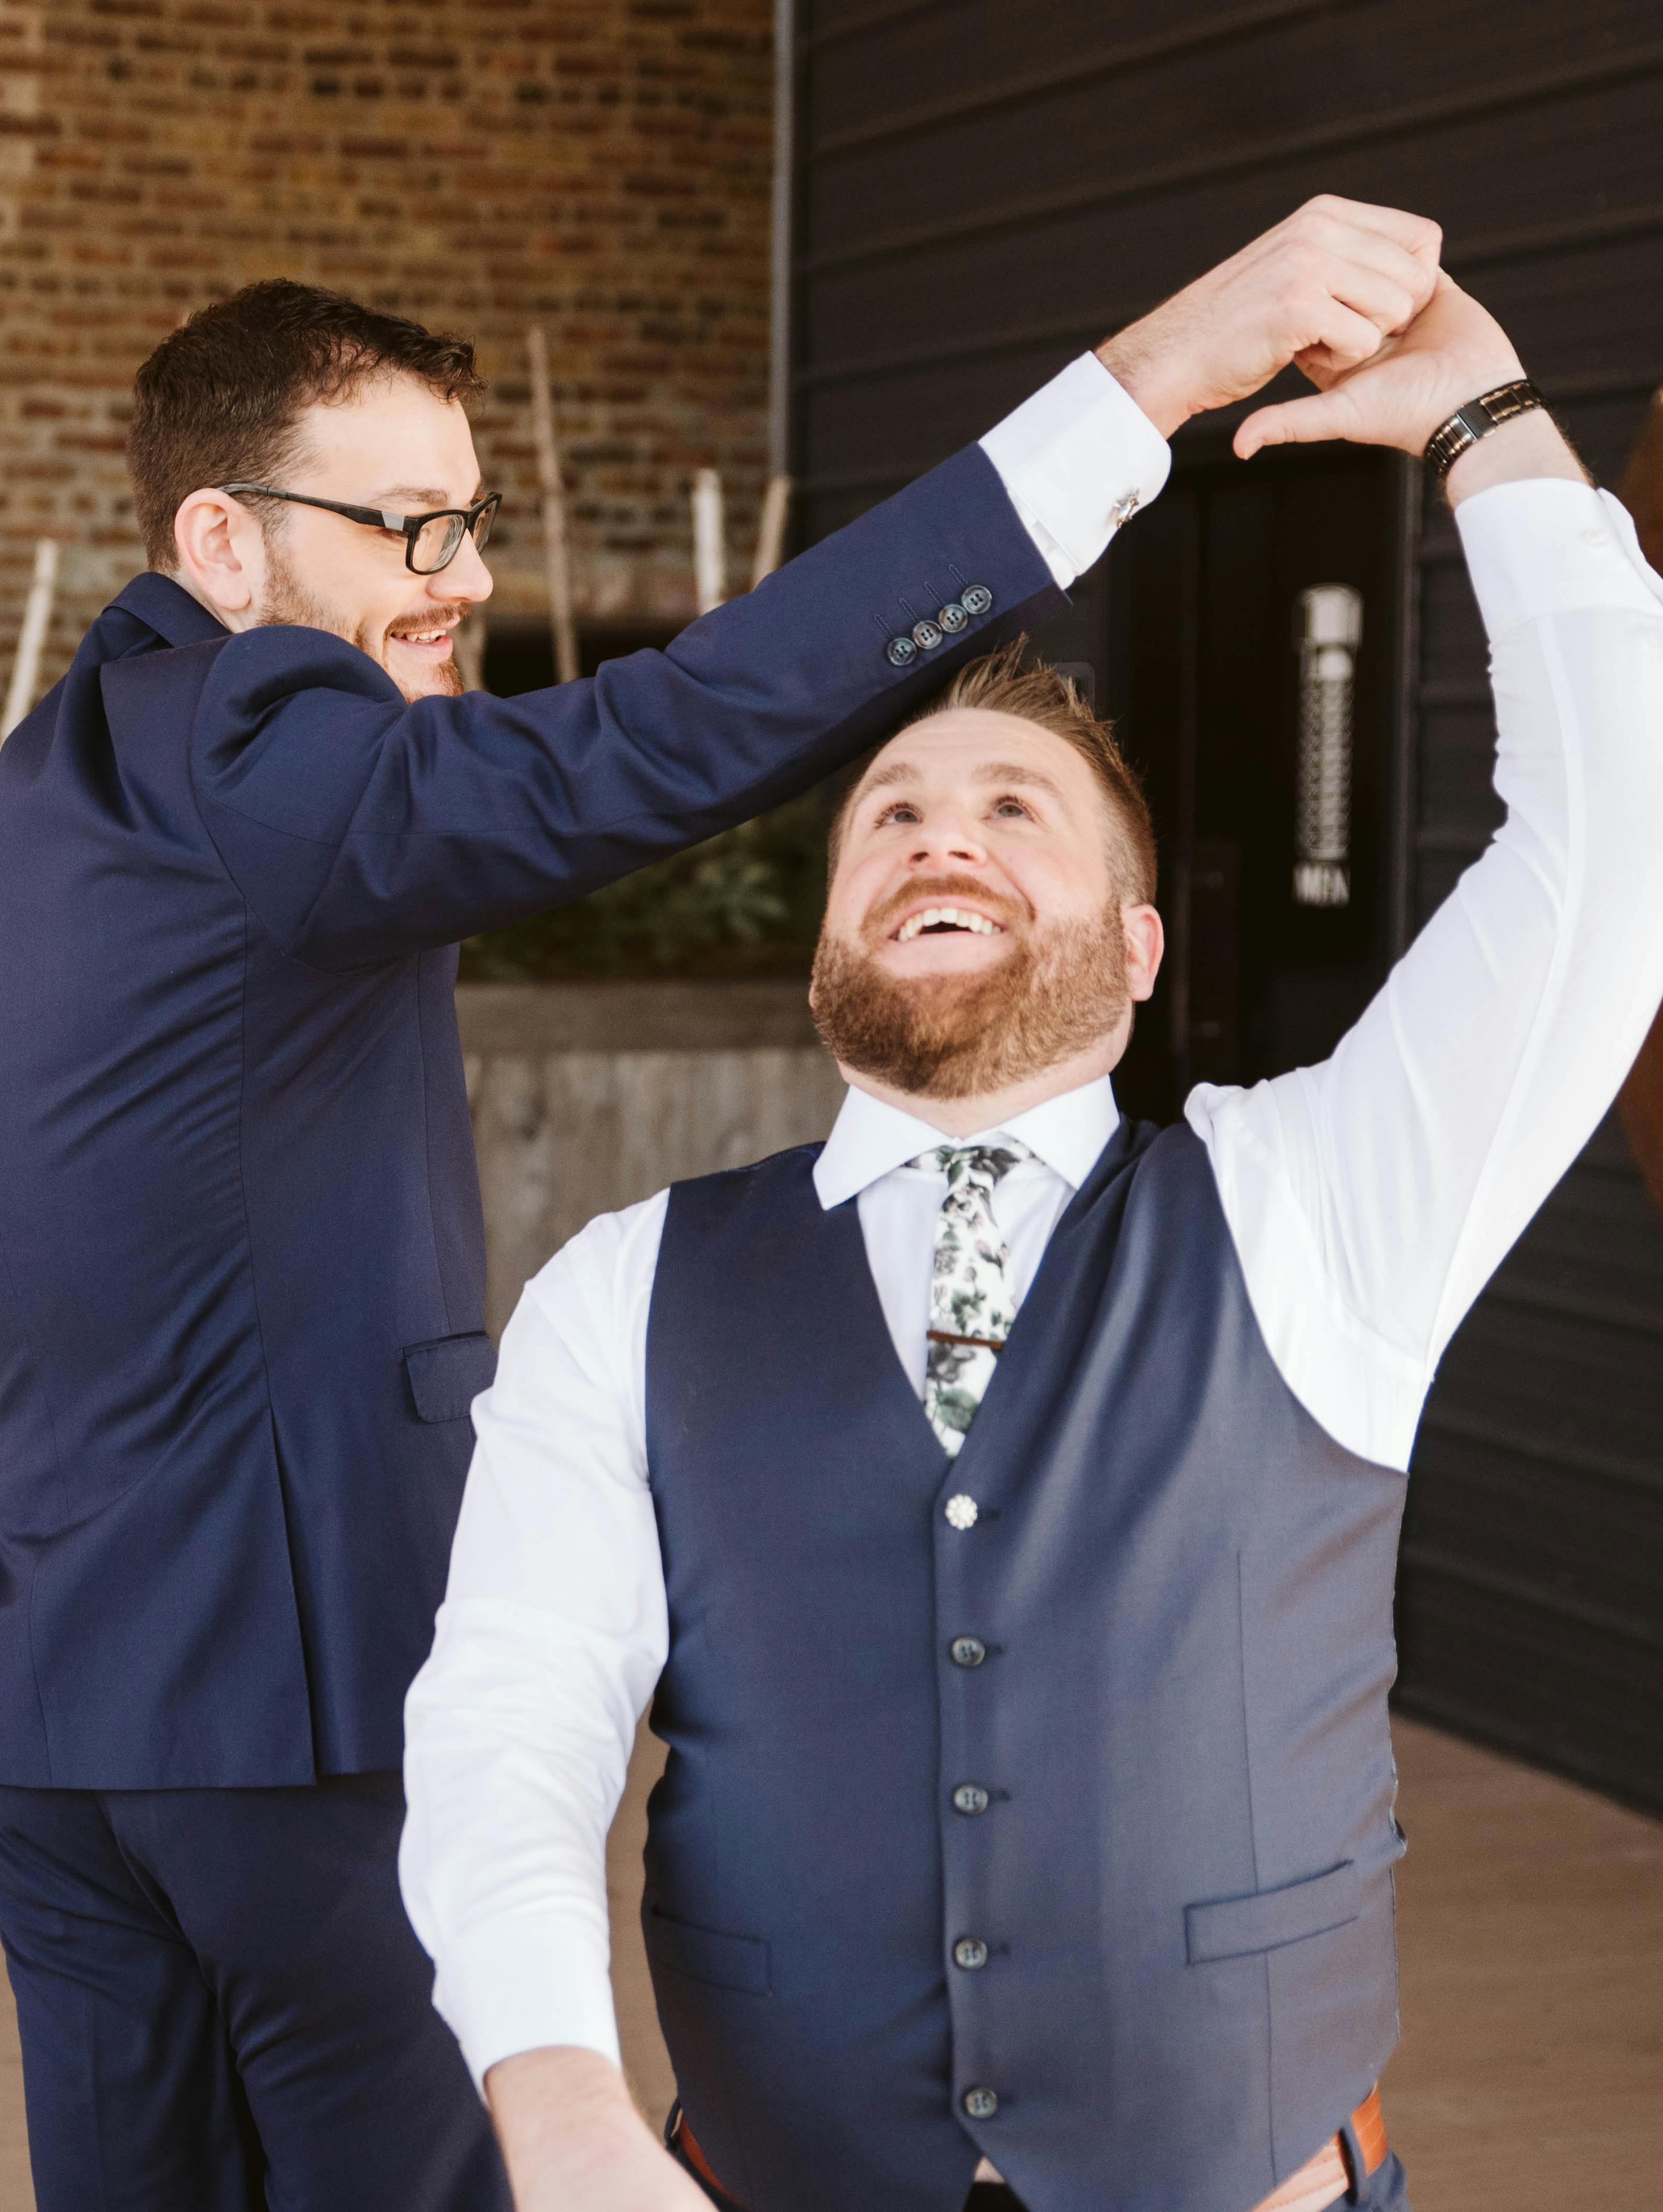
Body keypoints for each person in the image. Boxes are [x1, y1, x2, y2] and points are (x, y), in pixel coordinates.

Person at [0, 205, 1426, 2211]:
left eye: (471, 521)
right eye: (407, 530)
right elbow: (667, 732)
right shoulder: (260, 749)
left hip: (57, 1719)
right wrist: (1148, 388)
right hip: (285, 1717)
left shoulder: (42, 792)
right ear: (220, 546)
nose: (465, 579)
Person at [399, 262, 1663, 2212]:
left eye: (1015, 807)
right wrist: (556, 2094)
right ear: (829, 950)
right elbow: (514, 1714)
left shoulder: (1319, 1204)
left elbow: (1614, 844)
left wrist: (1488, 429)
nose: (940, 832)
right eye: (888, 816)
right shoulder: (626, 1291)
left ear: (1142, 949)